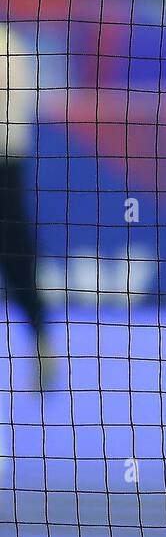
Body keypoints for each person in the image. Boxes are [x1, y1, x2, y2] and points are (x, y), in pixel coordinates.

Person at [0, 23, 54, 390]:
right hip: (10, 167)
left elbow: (16, 119)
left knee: (18, 259)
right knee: (19, 257)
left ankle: (41, 341)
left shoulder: (8, 44)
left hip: (5, 166)